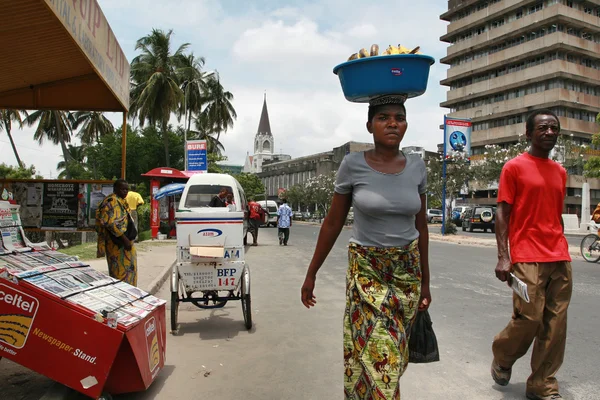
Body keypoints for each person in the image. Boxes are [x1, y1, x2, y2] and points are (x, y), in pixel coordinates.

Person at [300, 96, 431, 400]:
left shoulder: (417, 167)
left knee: (393, 355)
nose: (392, 123)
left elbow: (421, 226)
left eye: (399, 117)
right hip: (367, 270)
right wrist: (311, 274)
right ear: (370, 125)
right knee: (379, 351)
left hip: (407, 272)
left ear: (406, 124)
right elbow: (332, 223)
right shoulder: (352, 164)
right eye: (383, 117)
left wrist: (426, 280)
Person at [492, 109, 572, 400]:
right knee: (529, 318)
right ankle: (502, 354)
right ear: (528, 133)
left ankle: (542, 384)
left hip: (559, 256)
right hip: (527, 255)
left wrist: (562, 246)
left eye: (554, 128)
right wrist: (504, 255)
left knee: (555, 324)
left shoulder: (560, 172)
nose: (549, 132)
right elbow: (503, 211)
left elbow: (554, 213)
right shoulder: (514, 167)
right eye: (543, 128)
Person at [95, 179, 137, 286]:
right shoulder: (112, 202)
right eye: (122, 189)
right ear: (115, 189)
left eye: (127, 189)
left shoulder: (120, 201)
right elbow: (110, 223)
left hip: (124, 245)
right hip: (117, 245)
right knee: (120, 275)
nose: (125, 191)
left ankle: (130, 296)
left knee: (128, 273)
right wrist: (125, 240)